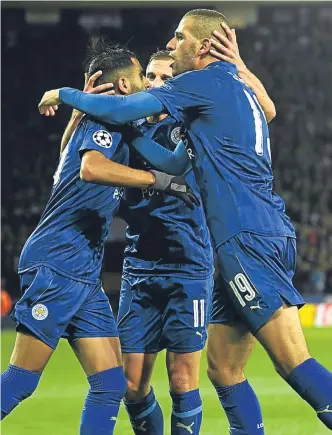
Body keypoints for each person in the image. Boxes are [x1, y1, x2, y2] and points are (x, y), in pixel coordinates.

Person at [38, 9, 332, 434]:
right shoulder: (237, 88)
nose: (172, 44)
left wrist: (66, 94)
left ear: (204, 46)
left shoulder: (200, 83)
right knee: (224, 370)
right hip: (248, 236)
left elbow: (126, 110)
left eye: (179, 37)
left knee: (292, 360)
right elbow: (173, 160)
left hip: (246, 238)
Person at [1, 39, 197, 435]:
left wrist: (76, 115)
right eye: (142, 74)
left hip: (84, 272)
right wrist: (157, 181)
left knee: (110, 384)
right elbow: (90, 168)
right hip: (57, 261)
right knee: (22, 380)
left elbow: (69, 159)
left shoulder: (105, 122)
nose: (147, 82)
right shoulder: (105, 122)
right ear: (124, 86)